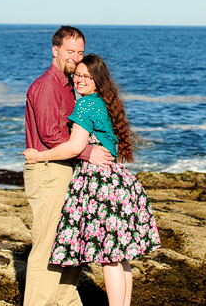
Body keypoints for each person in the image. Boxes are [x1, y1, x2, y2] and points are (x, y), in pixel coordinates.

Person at [24, 54, 161, 306]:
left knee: (109, 257)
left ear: (98, 80)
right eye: (77, 75)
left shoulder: (86, 105)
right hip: (118, 183)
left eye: (87, 76)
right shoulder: (105, 101)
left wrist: (39, 156)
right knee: (120, 257)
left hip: (101, 186)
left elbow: (73, 147)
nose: (80, 80)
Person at [24, 26, 114, 306]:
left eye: (79, 52)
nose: (75, 57)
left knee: (70, 243)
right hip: (50, 170)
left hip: (67, 168)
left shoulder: (71, 86)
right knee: (48, 246)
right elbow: (51, 135)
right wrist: (89, 152)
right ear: (55, 50)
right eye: (69, 51)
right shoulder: (47, 86)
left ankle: (64, 301)